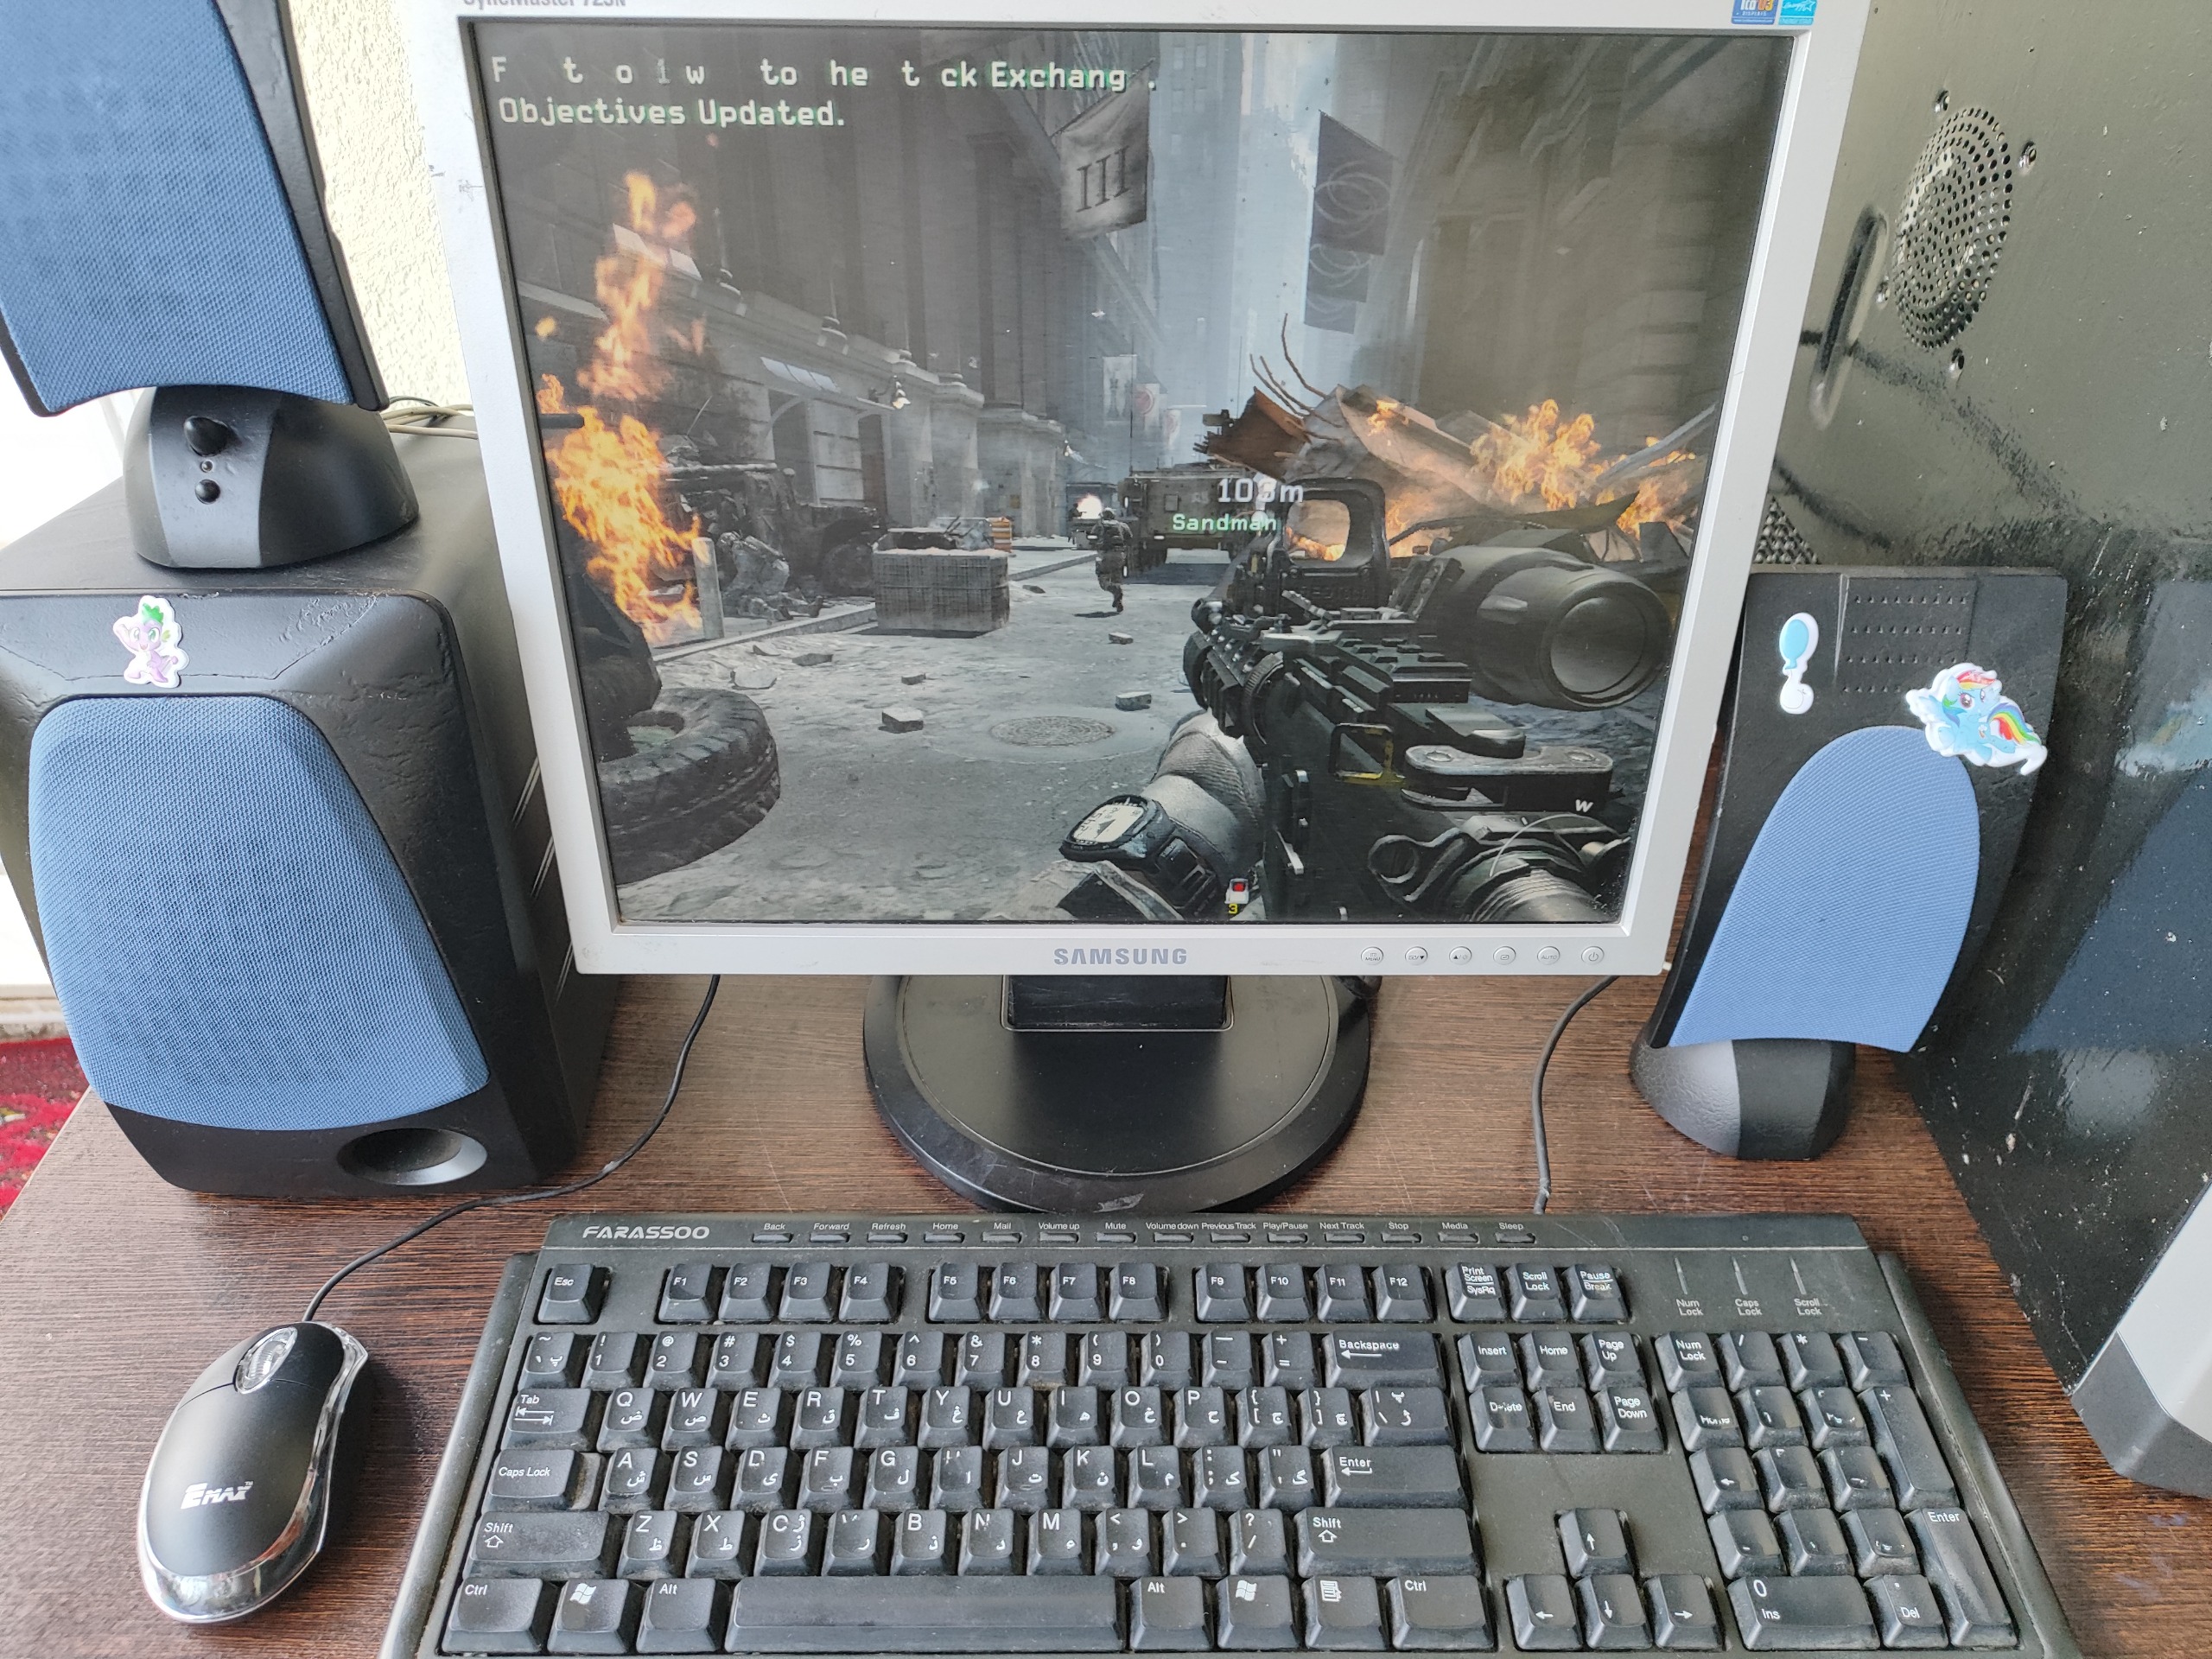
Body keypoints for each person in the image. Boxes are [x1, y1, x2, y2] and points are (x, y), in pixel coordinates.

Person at [1093, 507, 1132, 613]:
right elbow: (1129, 538)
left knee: (1102, 577)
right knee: (1116, 576)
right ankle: (1118, 599)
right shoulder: (1122, 525)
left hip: (1106, 554)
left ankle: (1115, 591)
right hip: (1120, 554)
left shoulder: (1100, 525)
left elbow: (1093, 537)